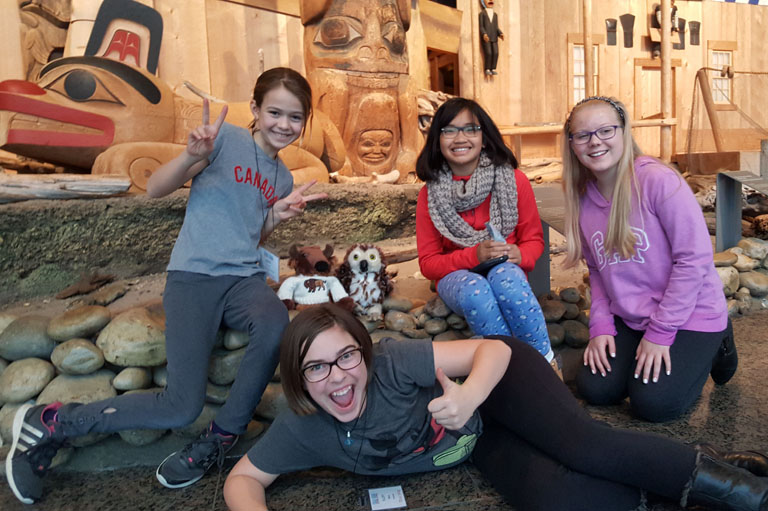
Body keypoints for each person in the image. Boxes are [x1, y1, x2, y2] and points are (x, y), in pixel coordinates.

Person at [5, 67, 327, 504]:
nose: (283, 125)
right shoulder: (223, 138)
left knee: (274, 324)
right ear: (254, 108)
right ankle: (53, 422)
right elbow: (156, 189)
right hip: (194, 276)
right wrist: (192, 155)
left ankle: (221, 438)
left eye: (294, 118)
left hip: (242, 278)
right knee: (180, 405)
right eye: (274, 112)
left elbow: (251, 234)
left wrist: (276, 215)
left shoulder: (282, 178)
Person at [223, 304, 768, 511]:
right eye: (317, 368)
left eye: (346, 357)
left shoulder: (392, 363)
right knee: (554, 498)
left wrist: (467, 395)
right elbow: (243, 479)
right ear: (299, 378)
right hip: (476, 441)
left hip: (500, 381)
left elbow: (494, 350)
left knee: (583, 445)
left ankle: (749, 494)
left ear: (364, 354)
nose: (338, 376)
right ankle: (703, 483)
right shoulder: (302, 428)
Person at [561, 96, 736, 423]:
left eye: (606, 130)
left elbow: (694, 260)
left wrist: (660, 334)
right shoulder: (583, 199)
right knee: (596, 388)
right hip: (635, 316)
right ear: (571, 144)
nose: (594, 141)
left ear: (625, 131)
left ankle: (720, 338)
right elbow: (597, 272)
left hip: (690, 313)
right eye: (582, 135)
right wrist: (600, 326)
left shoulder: (657, 180)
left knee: (653, 404)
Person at [415, 97, 558, 373]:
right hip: (457, 279)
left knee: (505, 279)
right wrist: (474, 255)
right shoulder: (429, 194)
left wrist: (520, 254)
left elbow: (533, 240)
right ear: (437, 139)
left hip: (505, 271)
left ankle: (545, 365)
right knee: (476, 291)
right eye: (449, 130)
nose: (460, 138)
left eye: (470, 129)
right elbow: (429, 263)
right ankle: (505, 372)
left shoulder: (514, 181)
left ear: (484, 135)